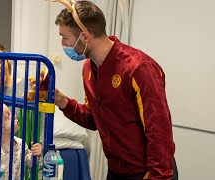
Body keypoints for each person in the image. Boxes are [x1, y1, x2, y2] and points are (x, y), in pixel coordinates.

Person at [50, 0, 178, 179]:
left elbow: (159, 133)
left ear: (85, 37)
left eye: (64, 37)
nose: (63, 43)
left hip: (149, 172)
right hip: (117, 170)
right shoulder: (89, 68)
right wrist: (62, 101)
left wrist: (159, 176)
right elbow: (93, 119)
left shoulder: (138, 68)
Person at [0, 102, 42, 180]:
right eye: (8, 116)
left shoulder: (21, 143)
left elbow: (30, 163)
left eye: (10, 112)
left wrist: (36, 154)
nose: (14, 116)